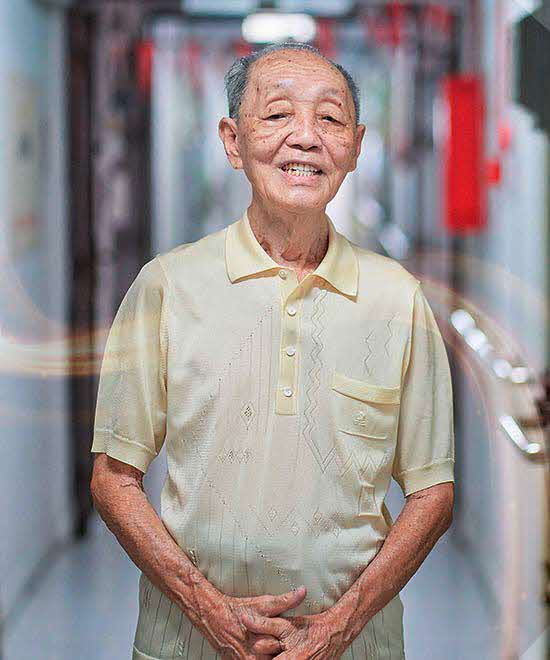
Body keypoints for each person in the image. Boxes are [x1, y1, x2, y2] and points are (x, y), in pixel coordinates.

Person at [90, 41, 455, 659]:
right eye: (279, 114)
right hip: (188, 642)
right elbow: (113, 477)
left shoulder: (398, 299)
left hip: (353, 646)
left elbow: (432, 493)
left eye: (330, 119)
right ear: (233, 141)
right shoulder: (166, 287)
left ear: (357, 147)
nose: (306, 138)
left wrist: (339, 626)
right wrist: (209, 610)